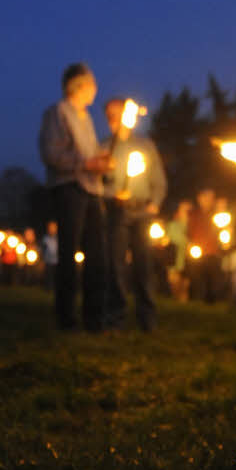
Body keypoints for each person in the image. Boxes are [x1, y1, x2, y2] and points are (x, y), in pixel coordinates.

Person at [38, 63, 112, 331]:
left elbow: (89, 155)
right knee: (68, 255)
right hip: (69, 189)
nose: (95, 88)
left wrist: (101, 161)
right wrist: (86, 164)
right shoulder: (58, 113)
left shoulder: (86, 118)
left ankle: (95, 319)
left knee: (97, 255)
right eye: (92, 83)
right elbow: (52, 155)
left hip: (92, 191)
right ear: (79, 85)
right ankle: (67, 319)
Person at [102, 98, 167, 331]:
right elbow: (97, 184)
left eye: (117, 113)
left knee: (144, 265)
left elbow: (158, 179)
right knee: (116, 266)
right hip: (117, 213)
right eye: (109, 115)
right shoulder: (104, 148)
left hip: (142, 212)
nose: (114, 119)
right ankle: (116, 318)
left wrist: (154, 204)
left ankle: (147, 319)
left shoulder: (145, 146)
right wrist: (111, 194)